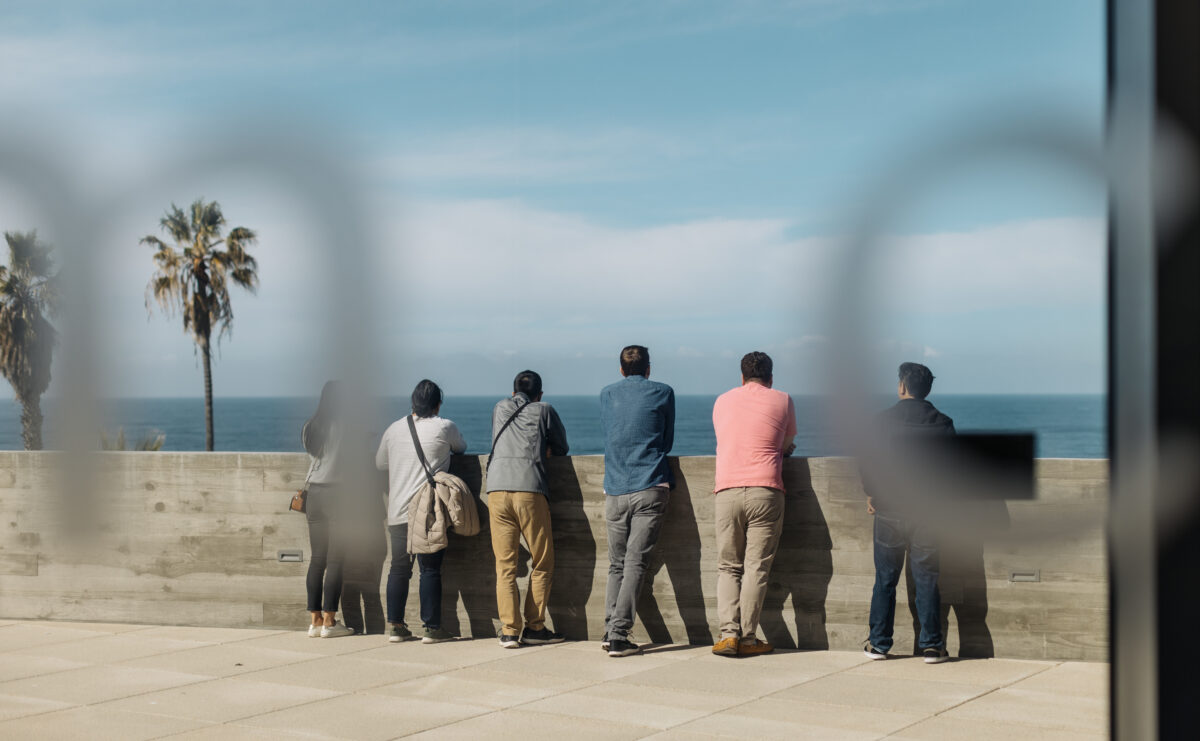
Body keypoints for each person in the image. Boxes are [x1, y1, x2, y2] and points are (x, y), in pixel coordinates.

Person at [863, 362, 955, 664]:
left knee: (885, 579)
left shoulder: (881, 421)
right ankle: (931, 646)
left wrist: (872, 493)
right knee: (927, 578)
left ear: (902, 386)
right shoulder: (942, 422)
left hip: (889, 509)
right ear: (926, 390)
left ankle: (878, 644)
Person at [710, 352, 796, 657]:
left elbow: (726, 437)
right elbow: (785, 443)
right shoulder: (783, 399)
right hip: (766, 489)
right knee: (755, 568)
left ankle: (727, 635)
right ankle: (747, 638)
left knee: (728, 566)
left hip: (727, 490)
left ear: (742, 377)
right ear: (771, 379)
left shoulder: (721, 401)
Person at [376, 379, 466, 644]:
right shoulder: (445, 426)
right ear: (438, 404)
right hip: (427, 510)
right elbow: (461, 448)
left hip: (397, 509)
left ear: (412, 403)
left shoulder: (394, 429)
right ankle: (432, 627)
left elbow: (379, 463)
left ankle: (395, 626)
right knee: (430, 570)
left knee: (399, 568)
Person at [599, 345, 675, 658]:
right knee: (635, 562)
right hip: (650, 484)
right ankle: (619, 635)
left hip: (615, 487)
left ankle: (609, 629)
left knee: (617, 563)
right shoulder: (663, 392)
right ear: (648, 369)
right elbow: (667, 441)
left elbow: (611, 431)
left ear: (620, 369)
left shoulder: (607, 394)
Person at [485, 370, 570, 648]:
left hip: (496, 489)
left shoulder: (499, 408)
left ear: (513, 392)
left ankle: (509, 631)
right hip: (529, 489)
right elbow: (561, 447)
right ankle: (534, 627)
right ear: (540, 394)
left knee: (505, 566)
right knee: (542, 561)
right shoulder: (544, 409)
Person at [302, 381, 355, 638]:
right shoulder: (346, 426)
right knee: (335, 560)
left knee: (317, 559)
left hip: (314, 495)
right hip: (337, 495)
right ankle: (330, 622)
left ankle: (315, 620)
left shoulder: (310, 426)